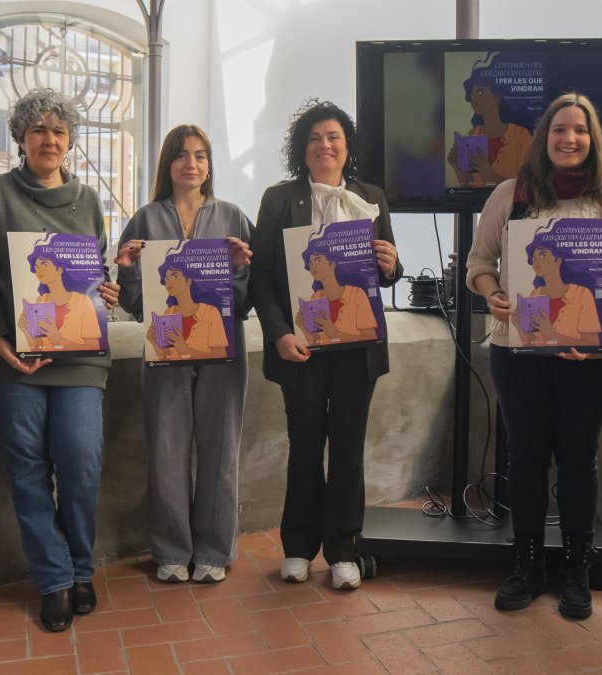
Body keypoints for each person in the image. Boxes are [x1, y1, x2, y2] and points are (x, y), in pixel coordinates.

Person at [0, 88, 120, 633]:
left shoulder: (89, 198)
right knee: (27, 463)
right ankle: (54, 581)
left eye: (59, 131)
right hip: (7, 356)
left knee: (79, 458)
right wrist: (0, 338)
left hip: (76, 355)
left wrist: (106, 292)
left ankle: (80, 567)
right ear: (21, 138)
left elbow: (91, 276)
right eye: (38, 130)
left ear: (70, 140)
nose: (49, 139)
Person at [466, 92, 602, 619]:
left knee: (580, 461)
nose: (569, 139)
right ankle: (528, 564)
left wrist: (594, 334)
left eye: (580, 130)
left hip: (588, 360)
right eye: (560, 129)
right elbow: (479, 261)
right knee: (525, 459)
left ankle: (576, 571)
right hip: (518, 353)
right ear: (545, 136)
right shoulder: (511, 193)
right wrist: (492, 292)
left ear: (593, 140)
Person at [249, 99, 402, 591]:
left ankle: (343, 550)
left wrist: (390, 262)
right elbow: (262, 280)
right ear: (302, 148)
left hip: (356, 348)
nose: (325, 145)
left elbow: (389, 276)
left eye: (333, 137)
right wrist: (280, 333)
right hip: (302, 347)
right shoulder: (279, 199)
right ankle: (297, 547)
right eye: (315, 138)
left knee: (350, 451)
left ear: (347, 146)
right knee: (305, 447)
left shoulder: (370, 195)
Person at [115, 124, 253, 584]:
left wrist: (240, 267)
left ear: (209, 165)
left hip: (222, 345)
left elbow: (249, 296)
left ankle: (214, 549)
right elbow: (134, 303)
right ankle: (172, 548)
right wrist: (128, 271)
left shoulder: (233, 217)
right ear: (167, 165)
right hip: (165, 347)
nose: (190, 164)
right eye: (181, 155)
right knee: (167, 447)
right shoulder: (145, 219)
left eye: (199, 155)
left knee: (220, 448)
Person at [447, 60, 533, 187]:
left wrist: (488, 175)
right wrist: (456, 167)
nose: (474, 98)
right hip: (477, 207)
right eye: (472, 95)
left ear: (497, 97)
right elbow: (468, 188)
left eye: (481, 92)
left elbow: (527, 188)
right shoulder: (473, 133)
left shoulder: (521, 135)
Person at [512, 229, 602, 348]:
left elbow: (593, 345)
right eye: (534, 258)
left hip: (574, 365)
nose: (537, 261)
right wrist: (519, 327)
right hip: (539, 363)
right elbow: (531, 345)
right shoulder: (535, 293)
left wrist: (551, 334)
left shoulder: (582, 294)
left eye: (543, 255)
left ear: (558, 260)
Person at [144, 245, 232, 361]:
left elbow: (222, 357)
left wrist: (185, 349)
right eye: (166, 278)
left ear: (188, 281)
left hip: (207, 374)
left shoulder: (210, 312)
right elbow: (166, 358)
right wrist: (154, 342)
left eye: (174, 275)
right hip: (175, 375)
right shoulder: (168, 312)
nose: (168, 280)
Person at [19, 234, 104, 353]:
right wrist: (26, 331)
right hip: (47, 366)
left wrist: (58, 339)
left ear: (59, 269)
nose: (39, 270)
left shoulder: (83, 301)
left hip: (76, 366)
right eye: (37, 266)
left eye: (44, 264)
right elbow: (39, 349)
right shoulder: (40, 301)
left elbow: (95, 349)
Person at [296, 238, 378, 345]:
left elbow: (371, 338)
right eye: (310, 263)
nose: (313, 266)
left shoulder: (356, 294)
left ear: (332, 264)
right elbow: (316, 342)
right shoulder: (315, 297)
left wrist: (333, 333)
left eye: (318, 260)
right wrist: (303, 327)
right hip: (326, 358)